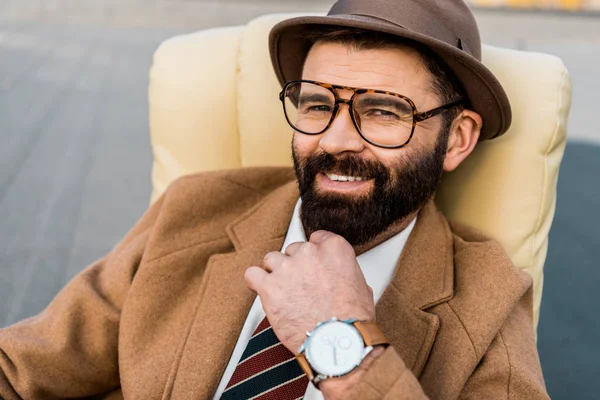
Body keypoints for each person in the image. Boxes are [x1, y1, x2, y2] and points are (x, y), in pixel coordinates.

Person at [0, 0, 549, 399]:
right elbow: (21, 369)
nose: (334, 140)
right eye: (316, 105)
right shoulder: (194, 210)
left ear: (456, 139)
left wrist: (342, 345)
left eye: (384, 111)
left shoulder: (487, 297)